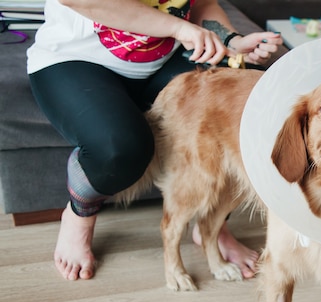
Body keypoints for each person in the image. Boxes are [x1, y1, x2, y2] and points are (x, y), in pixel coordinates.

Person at [27, 0, 283, 281]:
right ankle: (79, 215)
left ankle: (212, 222)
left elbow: (201, 3)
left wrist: (232, 40)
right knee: (120, 149)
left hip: (163, 59)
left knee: (232, 100)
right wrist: (179, 28)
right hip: (77, 59)